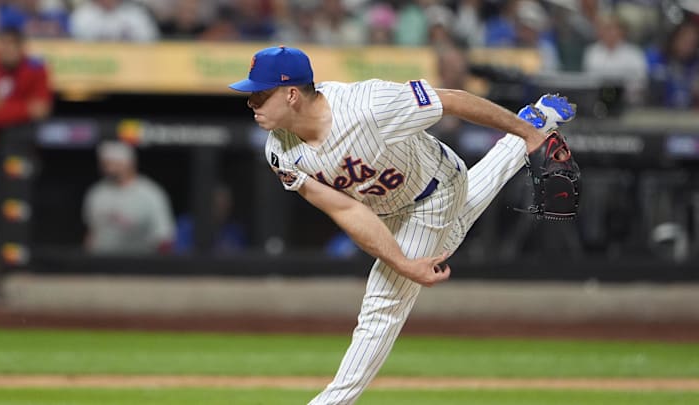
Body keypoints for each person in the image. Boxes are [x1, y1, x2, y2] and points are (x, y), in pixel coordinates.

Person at [228, 46, 575, 405]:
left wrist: (529, 137)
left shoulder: (369, 105)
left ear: (291, 94)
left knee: (383, 304)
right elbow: (346, 210)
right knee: (443, 238)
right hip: (387, 208)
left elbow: (452, 100)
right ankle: (530, 127)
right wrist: (401, 261)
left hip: (433, 191)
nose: (251, 103)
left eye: (259, 95)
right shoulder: (279, 151)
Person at [82, 141, 175, 255]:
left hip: (138, 263)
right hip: (102, 261)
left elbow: (164, 236)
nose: (109, 169)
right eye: (105, 164)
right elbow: (92, 233)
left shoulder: (150, 193)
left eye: (115, 163)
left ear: (129, 163)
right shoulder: (97, 192)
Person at [0, 27, 52, 135]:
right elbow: (33, 109)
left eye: (13, 44)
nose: (8, 49)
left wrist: (2, 108)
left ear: (22, 47)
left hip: (20, 132)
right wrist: (26, 108)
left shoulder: (36, 68)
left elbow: (41, 110)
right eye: (4, 44)